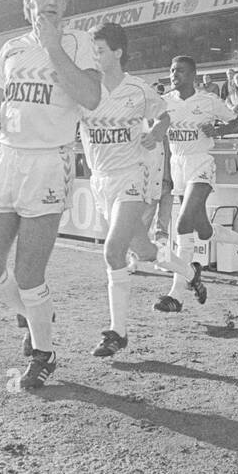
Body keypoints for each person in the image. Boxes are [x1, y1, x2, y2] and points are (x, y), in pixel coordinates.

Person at [0, 0, 102, 390]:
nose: (52, 1)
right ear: (29, 3)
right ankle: (31, 315)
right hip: (8, 160)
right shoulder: (10, 49)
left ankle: (44, 352)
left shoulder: (79, 43)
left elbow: (91, 97)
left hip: (49, 161)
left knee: (30, 275)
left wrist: (52, 46)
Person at [81, 25, 202, 357]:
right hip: (100, 180)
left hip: (130, 177)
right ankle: (190, 272)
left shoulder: (138, 89)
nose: (95, 56)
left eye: (101, 50)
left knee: (112, 251)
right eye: (93, 50)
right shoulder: (84, 90)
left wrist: (155, 133)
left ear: (118, 53)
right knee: (145, 252)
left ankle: (117, 332)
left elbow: (164, 117)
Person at [158, 54, 238, 314]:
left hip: (201, 164)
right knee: (203, 231)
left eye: (179, 71)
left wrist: (219, 131)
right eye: (171, 70)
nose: (174, 75)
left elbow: (236, 121)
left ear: (193, 76)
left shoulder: (208, 101)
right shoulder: (165, 102)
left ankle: (176, 294)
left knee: (182, 224)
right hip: (178, 166)